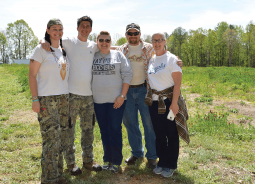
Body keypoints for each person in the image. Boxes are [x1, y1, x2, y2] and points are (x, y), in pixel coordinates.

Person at [40, 16, 102, 175]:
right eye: (82, 26)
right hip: (71, 96)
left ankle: (88, 161)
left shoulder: (94, 46)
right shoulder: (68, 42)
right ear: (77, 28)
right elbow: (53, 38)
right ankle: (71, 163)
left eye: (88, 26)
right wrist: (42, 40)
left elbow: (110, 47)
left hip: (89, 97)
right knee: (69, 131)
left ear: (91, 29)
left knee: (88, 131)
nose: (85, 29)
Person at [118, 23, 182, 169]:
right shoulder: (121, 49)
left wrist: (178, 62)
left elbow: (164, 55)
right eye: (130, 33)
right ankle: (137, 153)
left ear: (140, 34)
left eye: (136, 33)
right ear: (126, 34)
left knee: (149, 124)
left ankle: (152, 156)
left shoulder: (150, 47)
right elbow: (106, 49)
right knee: (130, 123)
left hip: (145, 90)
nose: (133, 36)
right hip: (126, 90)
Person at [29, 18, 70, 184]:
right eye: (54, 29)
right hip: (46, 99)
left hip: (63, 98)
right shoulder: (40, 49)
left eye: (60, 29)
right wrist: (35, 99)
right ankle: (48, 179)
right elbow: (32, 75)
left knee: (61, 140)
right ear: (47, 30)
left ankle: (58, 175)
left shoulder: (63, 50)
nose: (58, 32)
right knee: (51, 140)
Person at [144, 33, 189, 178]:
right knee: (159, 134)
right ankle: (162, 162)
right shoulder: (151, 59)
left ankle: (171, 165)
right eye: (154, 41)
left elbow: (177, 83)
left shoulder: (172, 59)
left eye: (159, 40)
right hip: (155, 103)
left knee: (171, 133)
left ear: (164, 41)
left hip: (169, 101)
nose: (156, 43)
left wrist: (175, 103)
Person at [92, 31, 133, 173]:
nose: (104, 43)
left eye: (107, 40)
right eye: (101, 40)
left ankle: (116, 161)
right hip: (98, 101)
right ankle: (107, 159)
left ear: (111, 41)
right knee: (104, 131)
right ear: (97, 41)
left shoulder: (118, 55)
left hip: (116, 101)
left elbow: (128, 75)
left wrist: (122, 95)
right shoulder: (92, 56)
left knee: (115, 130)